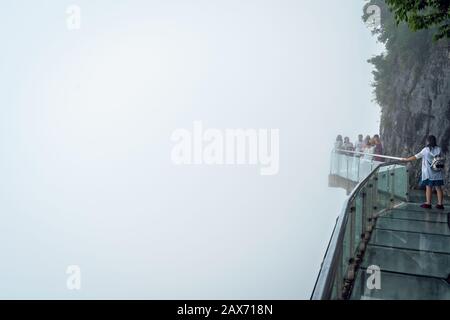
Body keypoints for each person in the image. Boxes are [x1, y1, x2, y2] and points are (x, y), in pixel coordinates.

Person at [402, 135, 445, 210]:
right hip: (437, 171)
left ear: (428, 141)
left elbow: (416, 156)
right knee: (438, 188)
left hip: (429, 172)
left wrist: (406, 160)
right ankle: (440, 204)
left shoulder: (426, 150)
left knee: (428, 187)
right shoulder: (439, 149)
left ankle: (428, 203)